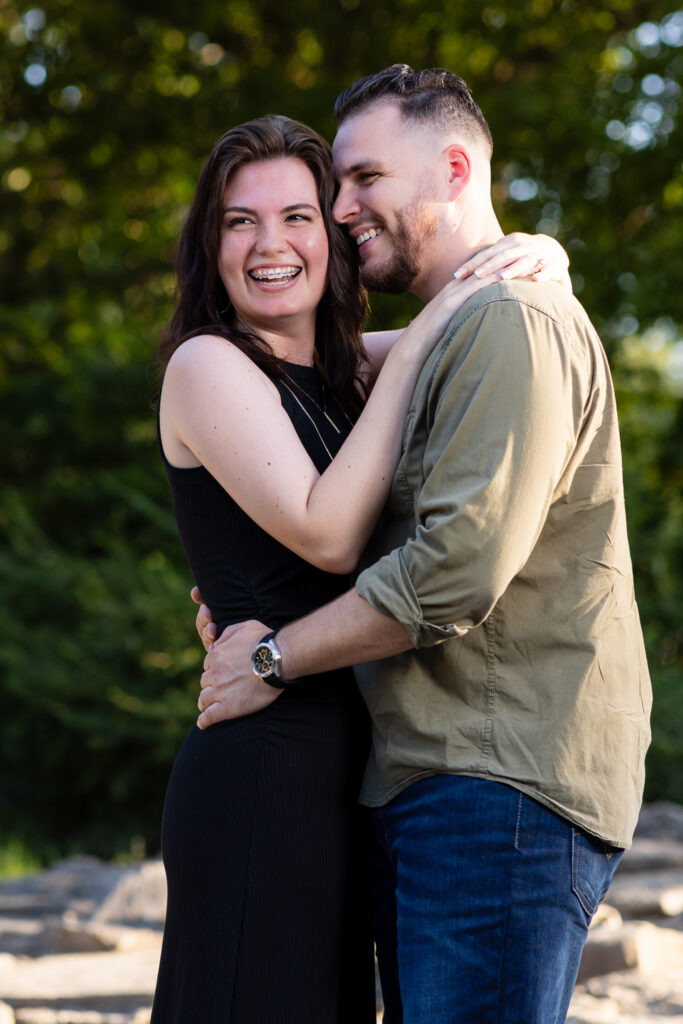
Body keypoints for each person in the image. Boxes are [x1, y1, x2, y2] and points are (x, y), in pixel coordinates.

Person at [197, 67, 652, 1024]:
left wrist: (273, 655)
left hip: (494, 788)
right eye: (243, 221)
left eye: (362, 179)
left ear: (454, 168)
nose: (342, 205)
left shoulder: (504, 324)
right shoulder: (438, 337)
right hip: (430, 781)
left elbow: (451, 573)